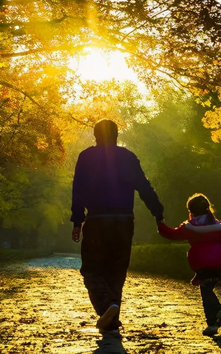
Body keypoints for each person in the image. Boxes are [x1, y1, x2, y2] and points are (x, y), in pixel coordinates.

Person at [71, 119, 164, 336]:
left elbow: (78, 190)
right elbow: (144, 186)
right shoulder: (128, 157)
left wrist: (77, 220)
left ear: (95, 135)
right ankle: (112, 323)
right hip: (123, 221)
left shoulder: (86, 157)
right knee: (116, 272)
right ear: (117, 134)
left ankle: (107, 306)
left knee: (92, 269)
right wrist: (158, 212)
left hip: (97, 220)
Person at [157, 193, 221, 337]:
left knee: (205, 289)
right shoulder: (219, 226)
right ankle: (212, 324)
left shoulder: (191, 227)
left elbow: (173, 234)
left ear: (191, 211)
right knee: (207, 289)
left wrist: (161, 225)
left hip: (202, 262)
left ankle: (218, 311)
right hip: (219, 263)